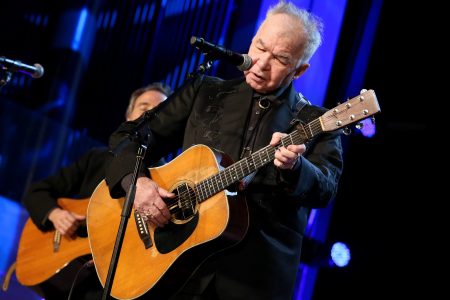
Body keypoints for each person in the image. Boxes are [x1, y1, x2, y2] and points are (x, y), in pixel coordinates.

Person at [105, 1, 343, 299]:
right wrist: (136, 183)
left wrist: (296, 169)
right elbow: (127, 138)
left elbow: (326, 188)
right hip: (176, 265)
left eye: (280, 58)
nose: (260, 62)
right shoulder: (205, 92)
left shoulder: (316, 122)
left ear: (299, 70)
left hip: (253, 281)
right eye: (259, 46)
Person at [21, 82, 173, 300]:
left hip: (117, 285)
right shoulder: (98, 158)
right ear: (128, 114)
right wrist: (55, 214)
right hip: (73, 282)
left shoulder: (166, 173)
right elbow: (36, 192)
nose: (149, 112)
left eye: (159, 109)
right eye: (144, 106)